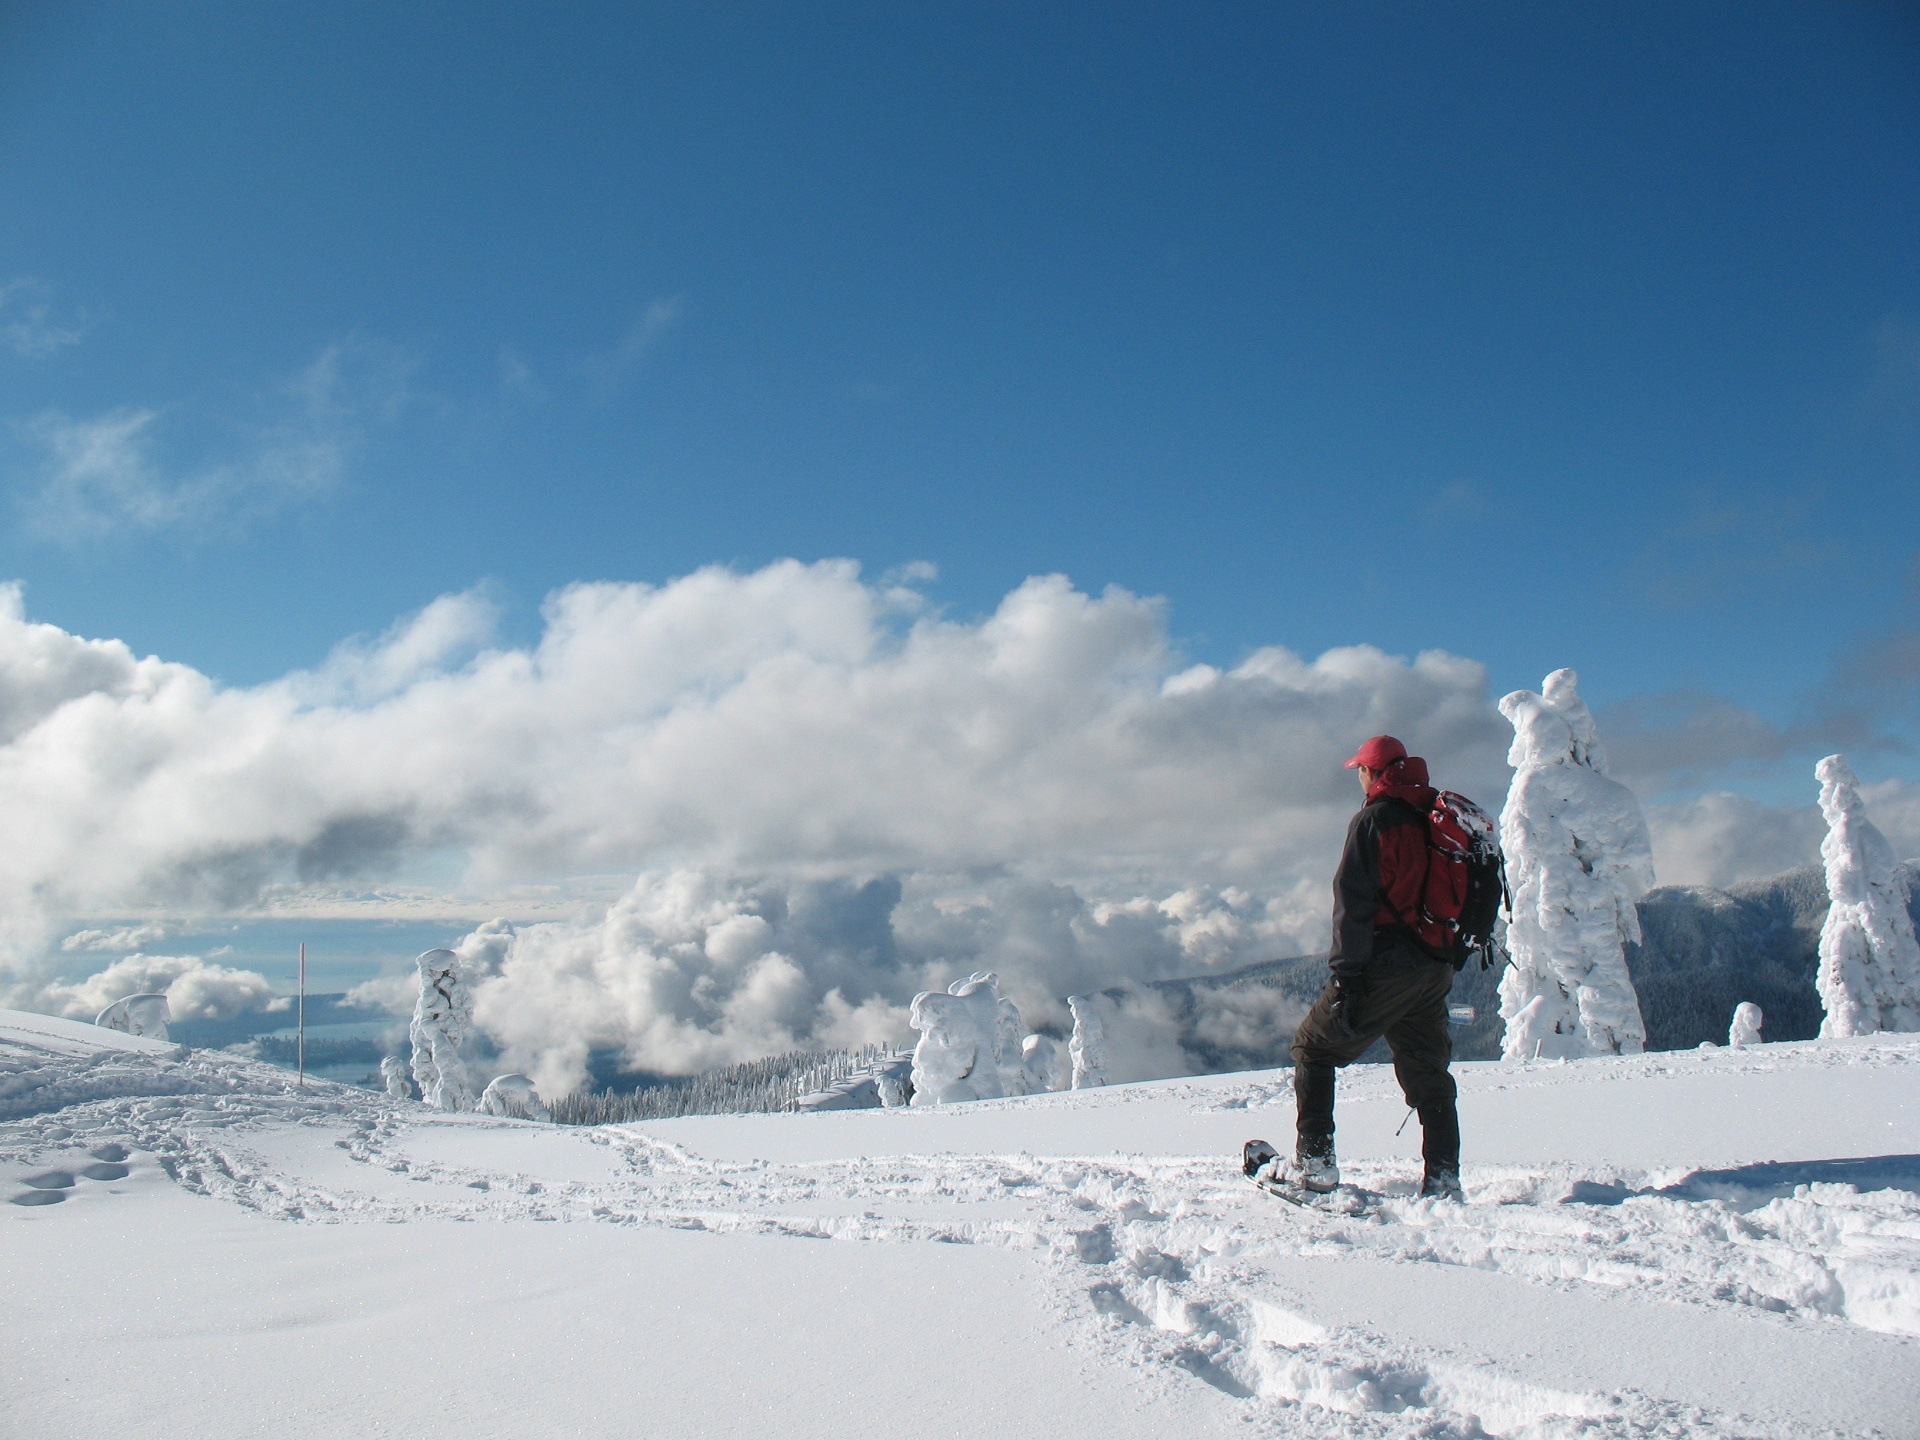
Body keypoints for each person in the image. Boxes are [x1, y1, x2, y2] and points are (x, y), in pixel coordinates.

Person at [1280, 734, 1463, 1201]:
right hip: (1433, 965)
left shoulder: (1375, 821)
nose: (1358, 776)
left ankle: (1316, 1168)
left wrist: (1347, 976)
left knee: (1313, 1049)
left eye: (1360, 769)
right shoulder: (1434, 814)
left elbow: (1353, 904)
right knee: (1429, 1074)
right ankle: (1443, 1180)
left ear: (1374, 773)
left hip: (1385, 965)